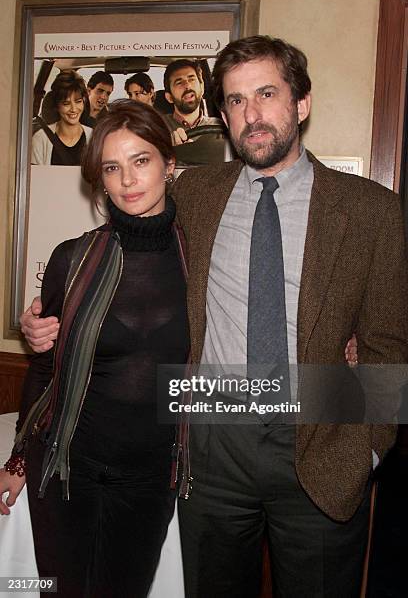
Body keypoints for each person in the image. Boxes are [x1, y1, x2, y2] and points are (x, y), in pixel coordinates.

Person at [17, 35, 406, 597]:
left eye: (267, 93)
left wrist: (365, 449)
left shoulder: (370, 209)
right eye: (236, 100)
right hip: (209, 449)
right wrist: (50, 317)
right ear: (221, 115)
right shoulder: (196, 192)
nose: (252, 115)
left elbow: (389, 346)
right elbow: (125, 241)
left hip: (321, 439)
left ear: (302, 103)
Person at [1, 100, 190, 597]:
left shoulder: (201, 256)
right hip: (67, 470)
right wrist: (20, 460)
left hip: (150, 478)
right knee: (58, 591)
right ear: (99, 180)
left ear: (169, 164)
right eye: (112, 167)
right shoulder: (73, 258)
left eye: (141, 160)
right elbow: (46, 370)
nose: (128, 179)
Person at [31, 71, 92, 166]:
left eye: (78, 101)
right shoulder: (41, 139)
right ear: (57, 105)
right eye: (66, 104)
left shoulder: (94, 137)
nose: (73, 109)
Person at [163, 59, 221, 146]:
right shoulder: (158, 127)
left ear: (202, 88)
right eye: (179, 82)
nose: (187, 85)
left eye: (191, 79)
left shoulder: (219, 126)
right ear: (169, 97)